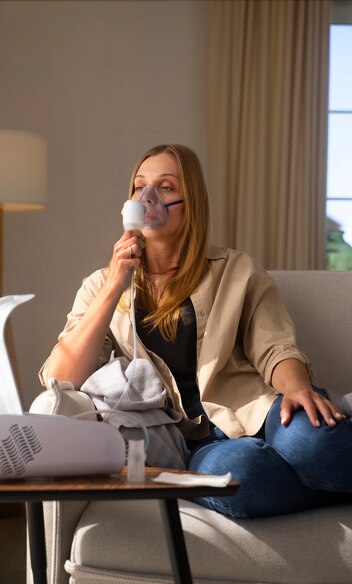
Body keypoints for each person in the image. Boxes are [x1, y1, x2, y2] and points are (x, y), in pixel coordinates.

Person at [40, 143, 352, 518]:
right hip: (198, 445)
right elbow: (61, 378)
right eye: (139, 186)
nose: (148, 196)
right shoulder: (101, 286)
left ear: (192, 204)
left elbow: (276, 348)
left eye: (166, 187)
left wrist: (297, 386)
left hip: (256, 409)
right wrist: (114, 285)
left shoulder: (235, 270)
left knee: (311, 442)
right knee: (241, 477)